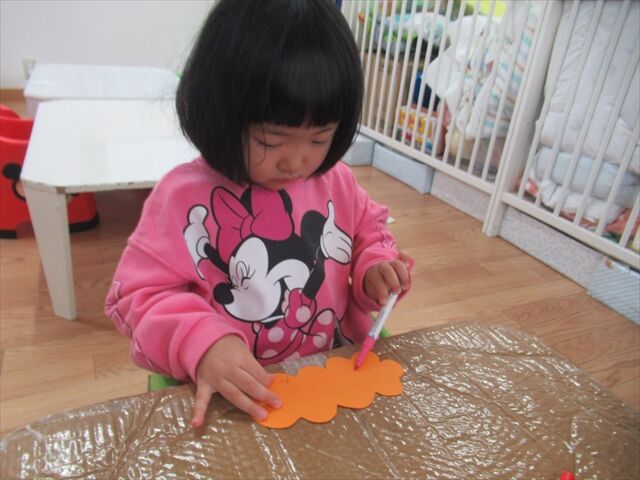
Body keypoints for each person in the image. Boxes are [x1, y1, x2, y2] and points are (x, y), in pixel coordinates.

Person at [105, 0, 412, 428]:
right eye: (272, 140)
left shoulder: (336, 181)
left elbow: (368, 232)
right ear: (221, 111)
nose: (297, 161)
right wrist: (202, 343)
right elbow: (139, 296)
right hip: (232, 397)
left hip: (328, 370)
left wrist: (373, 267)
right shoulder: (181, 199)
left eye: (319, 138)